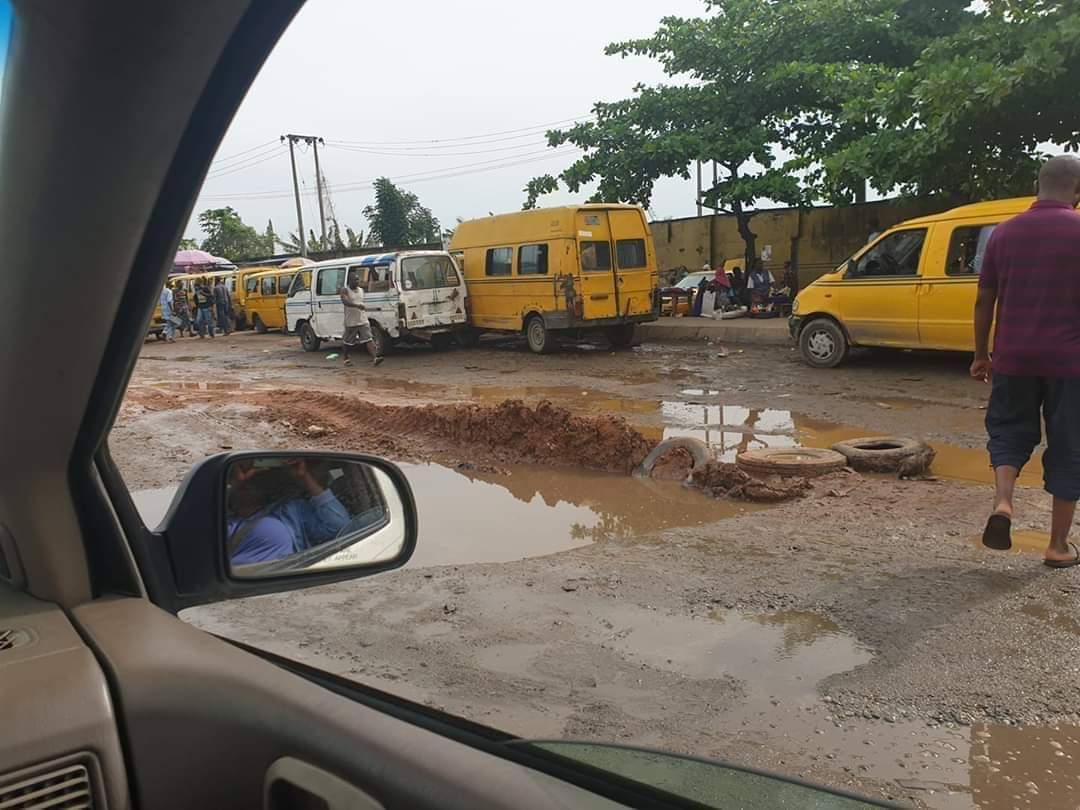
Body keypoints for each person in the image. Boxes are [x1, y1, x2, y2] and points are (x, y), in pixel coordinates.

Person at [972, 154, 1080, 568]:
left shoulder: (1003, 233)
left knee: (1008, 430)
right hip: (1071, 363)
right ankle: (1057, 546)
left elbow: (985, 299)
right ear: (1076, 190)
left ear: (1038, 184)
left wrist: (981, 354)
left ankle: (1003, 503)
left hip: (1014, 358)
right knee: (1070, 446)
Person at [226, 458, 350, 566]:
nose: (256, 475)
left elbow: (340, 528)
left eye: (268, 471)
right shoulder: (220, 515)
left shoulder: (294, 509)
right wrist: (236, 486)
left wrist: (305, 477)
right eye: (246, 469)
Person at [340, 268, 383, 366]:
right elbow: (345, 301)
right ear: (349, 281)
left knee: (368, 339)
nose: (357, 282)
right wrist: (357, 305)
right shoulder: (345, 290)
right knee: (348, 342)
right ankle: (346, 358)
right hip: (351, 321)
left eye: (358, 279)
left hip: (363, 320)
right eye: (354, 280)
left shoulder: (361, 290)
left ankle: (375, 358)